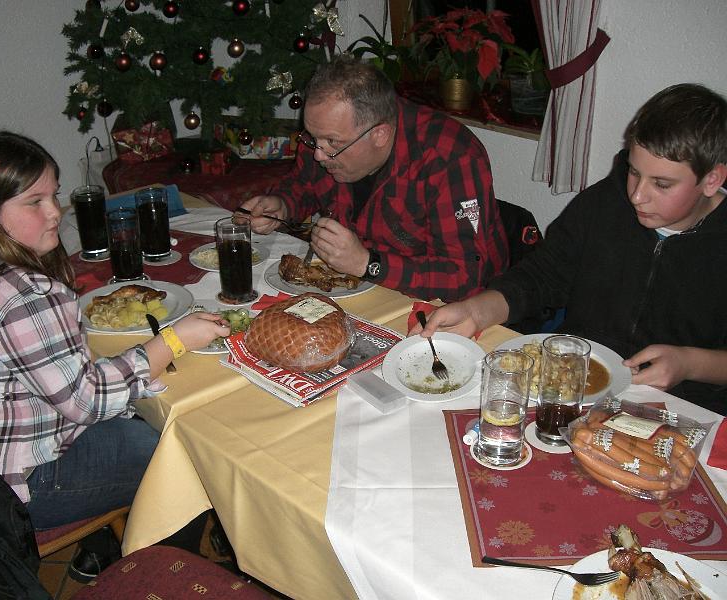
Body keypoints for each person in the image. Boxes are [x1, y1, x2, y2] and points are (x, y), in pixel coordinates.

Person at [0, 130, 231, 579]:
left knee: (137, 418)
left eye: (54, 194)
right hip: (14, 488)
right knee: (178, 452)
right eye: (35, 202)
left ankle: (102, 547)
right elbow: (86, 400)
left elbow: (58, 378)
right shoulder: (20, 294)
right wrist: (172, 340)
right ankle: (167, 574)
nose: (55, 211)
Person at [417, 83, 727, 415]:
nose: (637, 195)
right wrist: (476, 312)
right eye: (634, 172)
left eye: (662, 184)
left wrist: (689, 363)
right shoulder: (604, 202)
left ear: (711, 180)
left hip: (685, 406)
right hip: (572, 389)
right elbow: (542, 276)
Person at [238, 54, 508, 303]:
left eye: (332, 142)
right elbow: (304, 184)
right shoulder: (326, 136)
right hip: (359, 293)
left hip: (442, 308)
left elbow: (463, 277)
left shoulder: (449, 156)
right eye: (313, 138)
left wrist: (367, 264)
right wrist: (283, 204)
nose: (318, 154)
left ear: (379, 135)